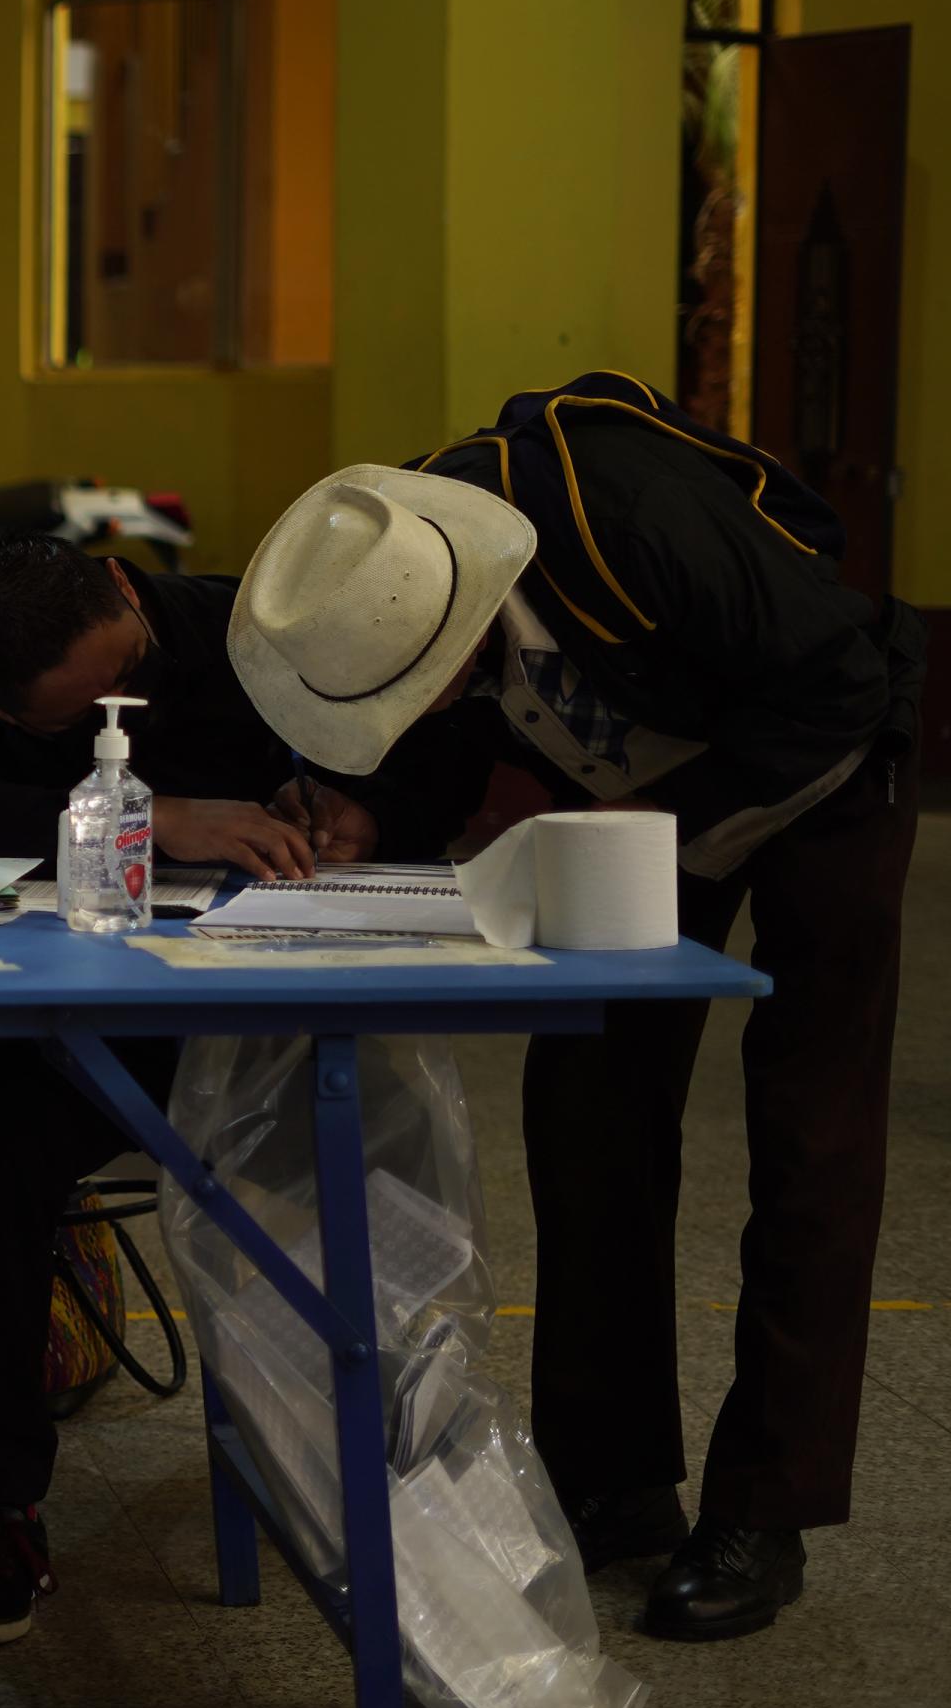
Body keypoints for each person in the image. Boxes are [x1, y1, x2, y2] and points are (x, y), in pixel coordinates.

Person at [231, 380, 924, 1641]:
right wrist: (372, 810)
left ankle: (765, 1509)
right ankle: (612, 1479)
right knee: (592, 1097)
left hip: (820, 759)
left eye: (423, 689)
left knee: (812, 1134)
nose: (423, 708)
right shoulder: (390, 563)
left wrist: (661, 829)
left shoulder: (641, 519)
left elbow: (843, 685)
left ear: (465, 621)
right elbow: (452, 726)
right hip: (635, 779)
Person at [0, 536, 475, 1646]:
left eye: (132, 676)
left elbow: (440, 753)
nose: (124, 708)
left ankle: (407, 1470)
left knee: (378, 1161)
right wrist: (157, 817)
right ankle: (1, 1503)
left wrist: (365, 808)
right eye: (76, 717)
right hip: (83, 1021)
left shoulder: (254, 629)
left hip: (272, 1011)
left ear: (122, 584)